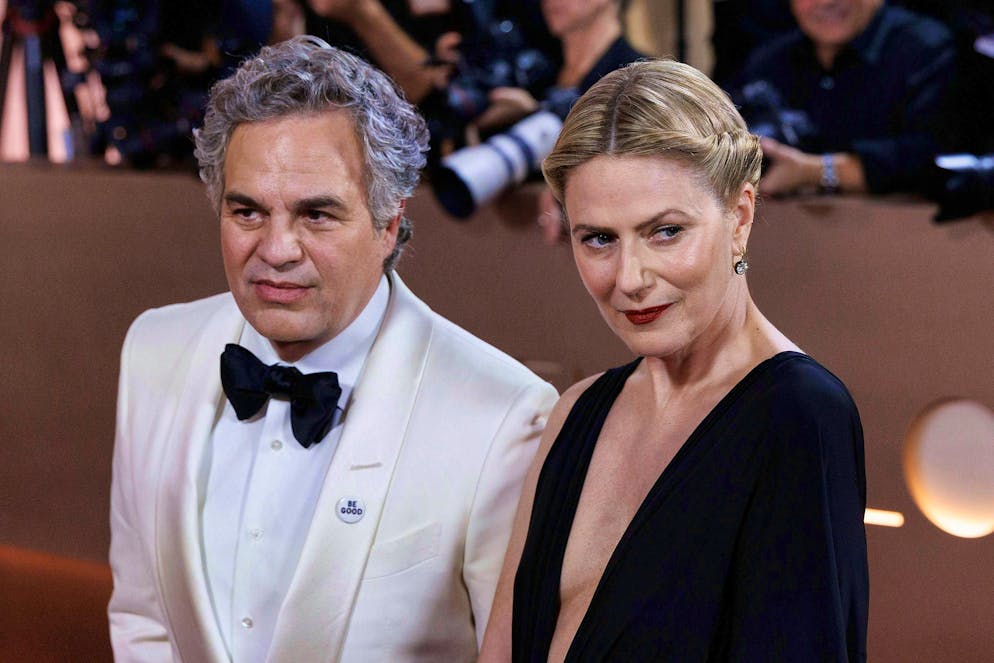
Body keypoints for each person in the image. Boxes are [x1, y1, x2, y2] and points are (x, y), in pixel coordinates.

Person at [108, 36, 557, 662]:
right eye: (247, 212)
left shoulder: (505, 416)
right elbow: (141, 615)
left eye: (316, 215)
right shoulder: (153, 350)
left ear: (388, 223)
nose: (277, 249)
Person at [480, 60, 868, 661]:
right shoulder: (576, 412)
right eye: (599, 239)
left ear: (739, 216)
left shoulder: (798, 416)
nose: (629, 279)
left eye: (664, 232)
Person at [730, 0, 957, 197]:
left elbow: (935, 156)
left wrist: (814, 172)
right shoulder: (767, 63)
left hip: (910, 233)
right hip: (789, 235)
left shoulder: (926, 49)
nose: (827, 2)